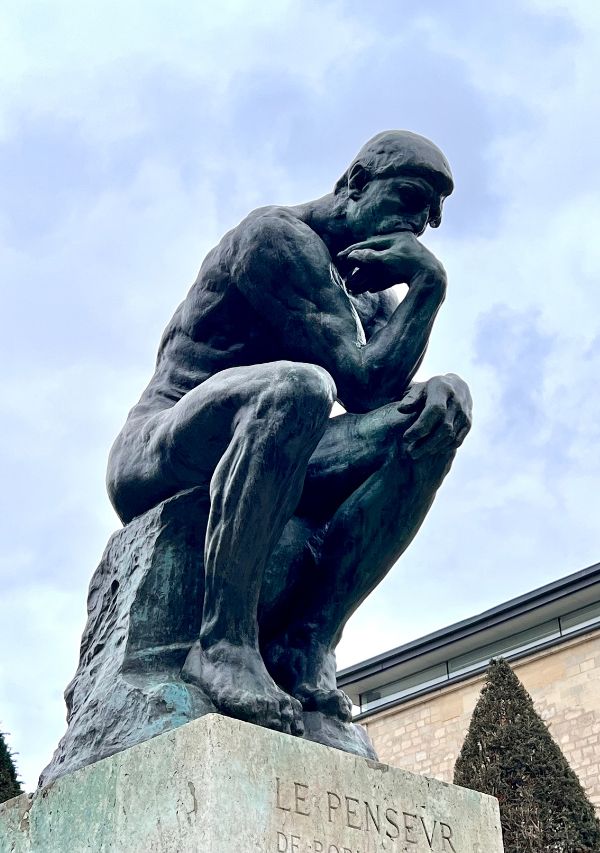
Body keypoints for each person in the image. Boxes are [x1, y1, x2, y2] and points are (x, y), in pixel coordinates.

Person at [107, 130, 472, 737]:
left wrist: (443, 380)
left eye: (435, 213)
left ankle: (307, 645)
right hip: (164, 451)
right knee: (299, 387)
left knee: (435, 417)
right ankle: (224, 644)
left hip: (283, 454)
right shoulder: (274, 238)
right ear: (356, 182)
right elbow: (358, 382)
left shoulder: (371, 295)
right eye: (413, 198)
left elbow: (380, 399)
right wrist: (430, 286)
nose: (424, 223)